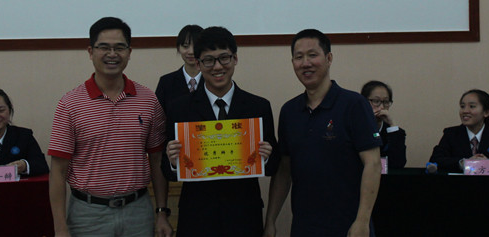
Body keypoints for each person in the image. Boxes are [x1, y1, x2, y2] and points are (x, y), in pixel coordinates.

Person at [47, 17, 172, 237]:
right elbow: (58, 171)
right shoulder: (70, 104)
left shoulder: (148, 100)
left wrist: (161, 212)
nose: (112, 54)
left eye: (119, 47)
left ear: (129, 52)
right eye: (104, 47)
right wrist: (60, 228)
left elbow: (156, 159)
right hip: (88, 215)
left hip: (138, 212)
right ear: (90, 51)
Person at [263, 29, 381, 237]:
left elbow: (372, 163)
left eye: (312, 55)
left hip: (349, 227)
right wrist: (270, 221)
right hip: (304, 227)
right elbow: (284, 170)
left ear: (329, 58)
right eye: (299, 57)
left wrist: (362, 221)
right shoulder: (289, 111)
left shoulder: (354, 104)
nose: (305, 63)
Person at [164, 26, 279, 237]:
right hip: (197, 219)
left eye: (224, 58)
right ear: (198, 64)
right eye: (209, 60)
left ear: (235, 59)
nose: (218, 67)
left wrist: (267, 156)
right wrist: (173, 161)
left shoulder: (258, 107)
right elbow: (166, 170)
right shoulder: (179, 109)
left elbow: (273, 166)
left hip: (244, 218)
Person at [429, 89, 489, 173]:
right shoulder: (451, 134)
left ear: (486, 112)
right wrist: (463, 163)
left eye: (472, 106)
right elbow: (435, 160)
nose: (465, 111)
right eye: (462, 106)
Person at [155, 24, 204, 113]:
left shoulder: (213, 80)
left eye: (196, 46)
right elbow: (158, 116)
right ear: (178, 48)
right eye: (185, 46)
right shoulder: (166, 82)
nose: (191, 52)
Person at [360, 80, 406, 169]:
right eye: (376, 101)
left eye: (386, 102)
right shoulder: (354, 129)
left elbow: (398, 164)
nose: (381, 107)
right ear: (364, 102)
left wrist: (392, 125)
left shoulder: (395, 132)